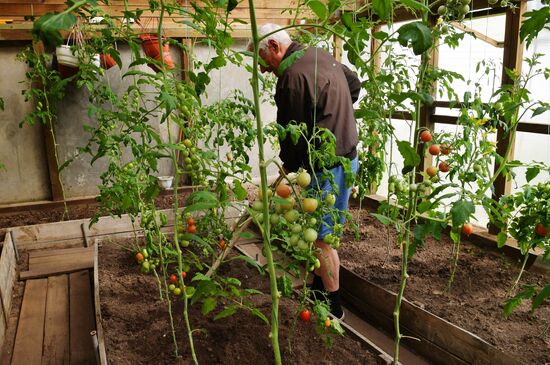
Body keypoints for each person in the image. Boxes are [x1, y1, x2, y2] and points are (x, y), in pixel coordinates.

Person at [252, 24, 361, 319]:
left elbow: (291, 136)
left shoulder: (291, 78)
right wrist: (334, 113)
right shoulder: (320, 54)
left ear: (274, 47)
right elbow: (354, 86)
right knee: (324, 231)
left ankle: (335, 308)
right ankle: (317, 289)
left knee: (322, 238)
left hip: (327, 167)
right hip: (347, 158)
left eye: (262, 61)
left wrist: (286, 171)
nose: (262, 70)